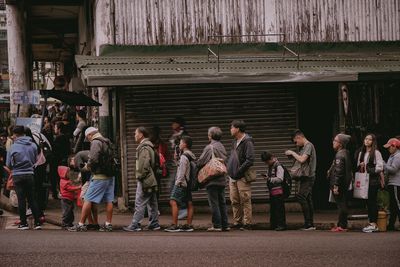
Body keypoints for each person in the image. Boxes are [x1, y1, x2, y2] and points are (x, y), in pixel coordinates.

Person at [68, 127, 115, 232]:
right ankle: (108, 224)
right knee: (109, 200)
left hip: (99, 176)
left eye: (87, 138)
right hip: (110, 175)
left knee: (88, 199)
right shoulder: (107, 141)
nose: (88, 140)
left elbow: (93, 158)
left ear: (90, 135)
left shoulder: (95, 142)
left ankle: (80, 224)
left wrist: (87, 167)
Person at [123, 127, 160, 232]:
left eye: (135, 133)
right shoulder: (150, 146)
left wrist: (140, 176)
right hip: (151, 178)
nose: (134, 135)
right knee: (152, 202)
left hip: (146, 179)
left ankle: (135, 224)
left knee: (139, 202)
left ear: (141, 135)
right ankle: (154, 223)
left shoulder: (144, 147)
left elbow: (144, 164)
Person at [6, 126, 41, 230]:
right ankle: (37, 222)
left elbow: (8, 164)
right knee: (32, 199)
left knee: (21, 200)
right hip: (30, 173)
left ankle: (23, 223)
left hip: (17, 174)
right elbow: (35, 159)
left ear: (15, 135)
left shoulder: (13, 147)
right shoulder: (33, 145)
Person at [196, 127, 229, 232]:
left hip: (212, 179)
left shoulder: (210, 147)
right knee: (222, 202)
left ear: (210, 136)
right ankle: (225, 225)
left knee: (214, 203)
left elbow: (201, 162)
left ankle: (217, 225)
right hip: (222, 178)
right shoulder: (222, 147)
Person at [285, 130, 317, 231]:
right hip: (306, 177)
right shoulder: (304, 147)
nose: (296, 144)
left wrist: (292, 152)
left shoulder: (308, 145)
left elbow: (302, 159)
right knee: (307, 199)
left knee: (301, 196)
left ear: (299, 137)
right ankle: (310, 224)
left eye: (295, 141)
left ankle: (309, 224)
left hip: (308, 177)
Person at [164, 135, 196, 232]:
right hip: (188, 183)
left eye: (181, 142)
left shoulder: (184, 157)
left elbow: (182, 171)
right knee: (189, 203)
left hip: (182, 183)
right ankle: (189, 225)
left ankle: (174, 225)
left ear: (185, 144)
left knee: (173, 201)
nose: (179, 144)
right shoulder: (190, 155)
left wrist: (177, 183)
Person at [227, 120, 255, 230]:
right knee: (234, 200)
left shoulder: (247, 142)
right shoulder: (234, 142)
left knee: (245, 200)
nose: (230, 129)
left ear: (237, 129)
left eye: (232, 127)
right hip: (232, 177)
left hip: (242, 177)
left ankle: (247, 223)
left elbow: (250, 160)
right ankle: (237, 222)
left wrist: (238, 171)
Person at [356, 134, 385, 233]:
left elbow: (380, 167)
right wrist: (361, 165)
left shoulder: (376, 153)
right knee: (367, 202)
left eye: (370, 139)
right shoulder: (362, 152)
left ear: (373, 141)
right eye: (366, 139)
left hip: (373, 181)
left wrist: (368, 169)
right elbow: (358, 165)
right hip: (364, 180)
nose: (367, 141)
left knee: (372, 201)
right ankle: (370, 222)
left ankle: (374, 224)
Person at [327, 134, 352, 232]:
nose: (333, 142)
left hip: (339, 184)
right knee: (343, 203)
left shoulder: (340, 155)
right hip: (344, 184)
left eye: (335, 140)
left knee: (341, 205)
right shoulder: (346, 153)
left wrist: (336, 185)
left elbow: (339, 172)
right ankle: (342, 224)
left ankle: (342, 225)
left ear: (340, 144)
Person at [261, 151, 287, 231]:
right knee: (274, 209)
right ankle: (274, 225)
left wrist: (269, 179)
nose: (266, 163)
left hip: (278, 191)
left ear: (271, 158)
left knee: (279, 209)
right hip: (273, 191)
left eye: (267, 161)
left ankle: (281, 225)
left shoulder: (278, 166)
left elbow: (280, 179)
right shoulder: (272, 165)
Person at [50, 121, 71, 199]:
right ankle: (63, 192)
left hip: (56, 160)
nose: (54, 129)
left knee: (54, 177)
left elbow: (54, 149)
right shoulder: (66, 137)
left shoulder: (58, 138)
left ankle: (56, 193)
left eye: (55, 127)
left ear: (59, 129)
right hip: (63, 160)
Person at [383, 138, 400, 231]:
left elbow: (393, 169)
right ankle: (391, 224)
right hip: (391, 183)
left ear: (394, 146)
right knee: (393, 205)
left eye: (390, 147)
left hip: (396, 183)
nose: (388, 149)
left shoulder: (397, 156)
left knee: (397, 204)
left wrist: (384, 164)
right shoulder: (392, 156)